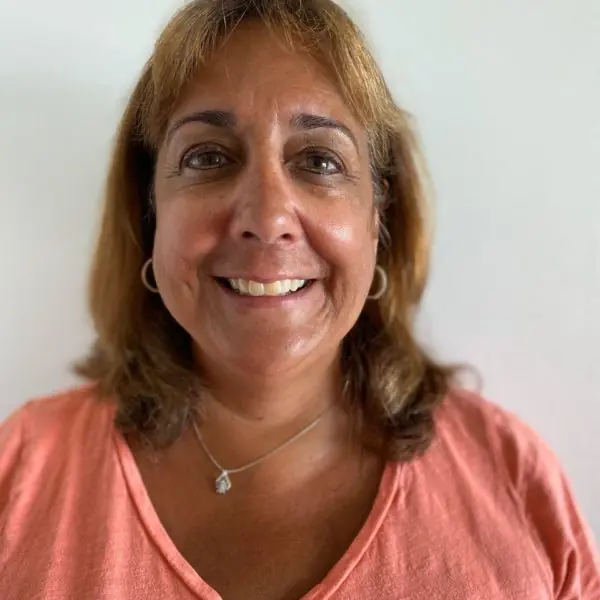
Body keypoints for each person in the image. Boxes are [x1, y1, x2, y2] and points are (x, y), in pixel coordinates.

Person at [1, 0, 599, 598]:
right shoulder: (20, 475)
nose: (267, 219)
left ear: (378, 216)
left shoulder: (514, 481)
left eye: (319, 160)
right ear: (150, 210)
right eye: (207, 157)